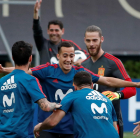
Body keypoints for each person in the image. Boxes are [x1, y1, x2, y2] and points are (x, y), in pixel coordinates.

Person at [1, 41, 140, 138]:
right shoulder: (47, 70)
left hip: (71, 129)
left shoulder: (79, 72)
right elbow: (24, 71)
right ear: (58, 56)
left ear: (75, 56)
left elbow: (108, 80)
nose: (68, 59)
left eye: (71, 56)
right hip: (48, 128)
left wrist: (135, 84)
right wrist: (6, 70)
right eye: (65, 55)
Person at [81, 25, 136, 138]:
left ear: (102, 39)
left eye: (95, 40)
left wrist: (116, 94)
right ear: (84, 40)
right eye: (88, 40)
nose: (91, 44)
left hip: (111, 122)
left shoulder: (113, 62)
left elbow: (132, 89)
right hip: (88, 123)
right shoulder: (83, 65)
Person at [0, 41, 61, 138]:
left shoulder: (2, 81)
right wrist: (59, 105)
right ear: (30, 58)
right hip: (22, 135)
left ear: (13, 58)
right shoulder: (30, 80)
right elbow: (46, 107)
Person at [33, 71, 120, 138]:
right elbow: (115, 128)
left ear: (74, 86)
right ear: (92, 85)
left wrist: (40, 126)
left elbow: (52, 122)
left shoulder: (72, 96)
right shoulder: (106, 99)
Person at [33, 0, 87, 65]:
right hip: (46, 75)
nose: (54, 33)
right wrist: (36, 14)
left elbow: (84, 55)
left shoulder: (69, 44)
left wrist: (80, 60)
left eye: (57, 30)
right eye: (51, 30)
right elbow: (37, 31)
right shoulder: (43, 44)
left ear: (62, 31)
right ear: (48, 31)